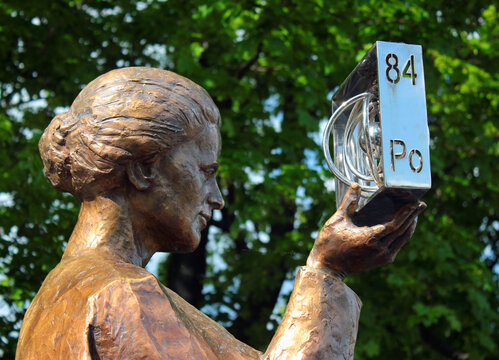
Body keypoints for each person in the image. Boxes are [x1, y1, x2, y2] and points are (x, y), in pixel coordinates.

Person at [15, 67, 424, 359]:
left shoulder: (53, 301)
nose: (217, 197)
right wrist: (327, 272)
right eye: (206, 172)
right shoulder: (122, 295)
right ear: (143, 169)